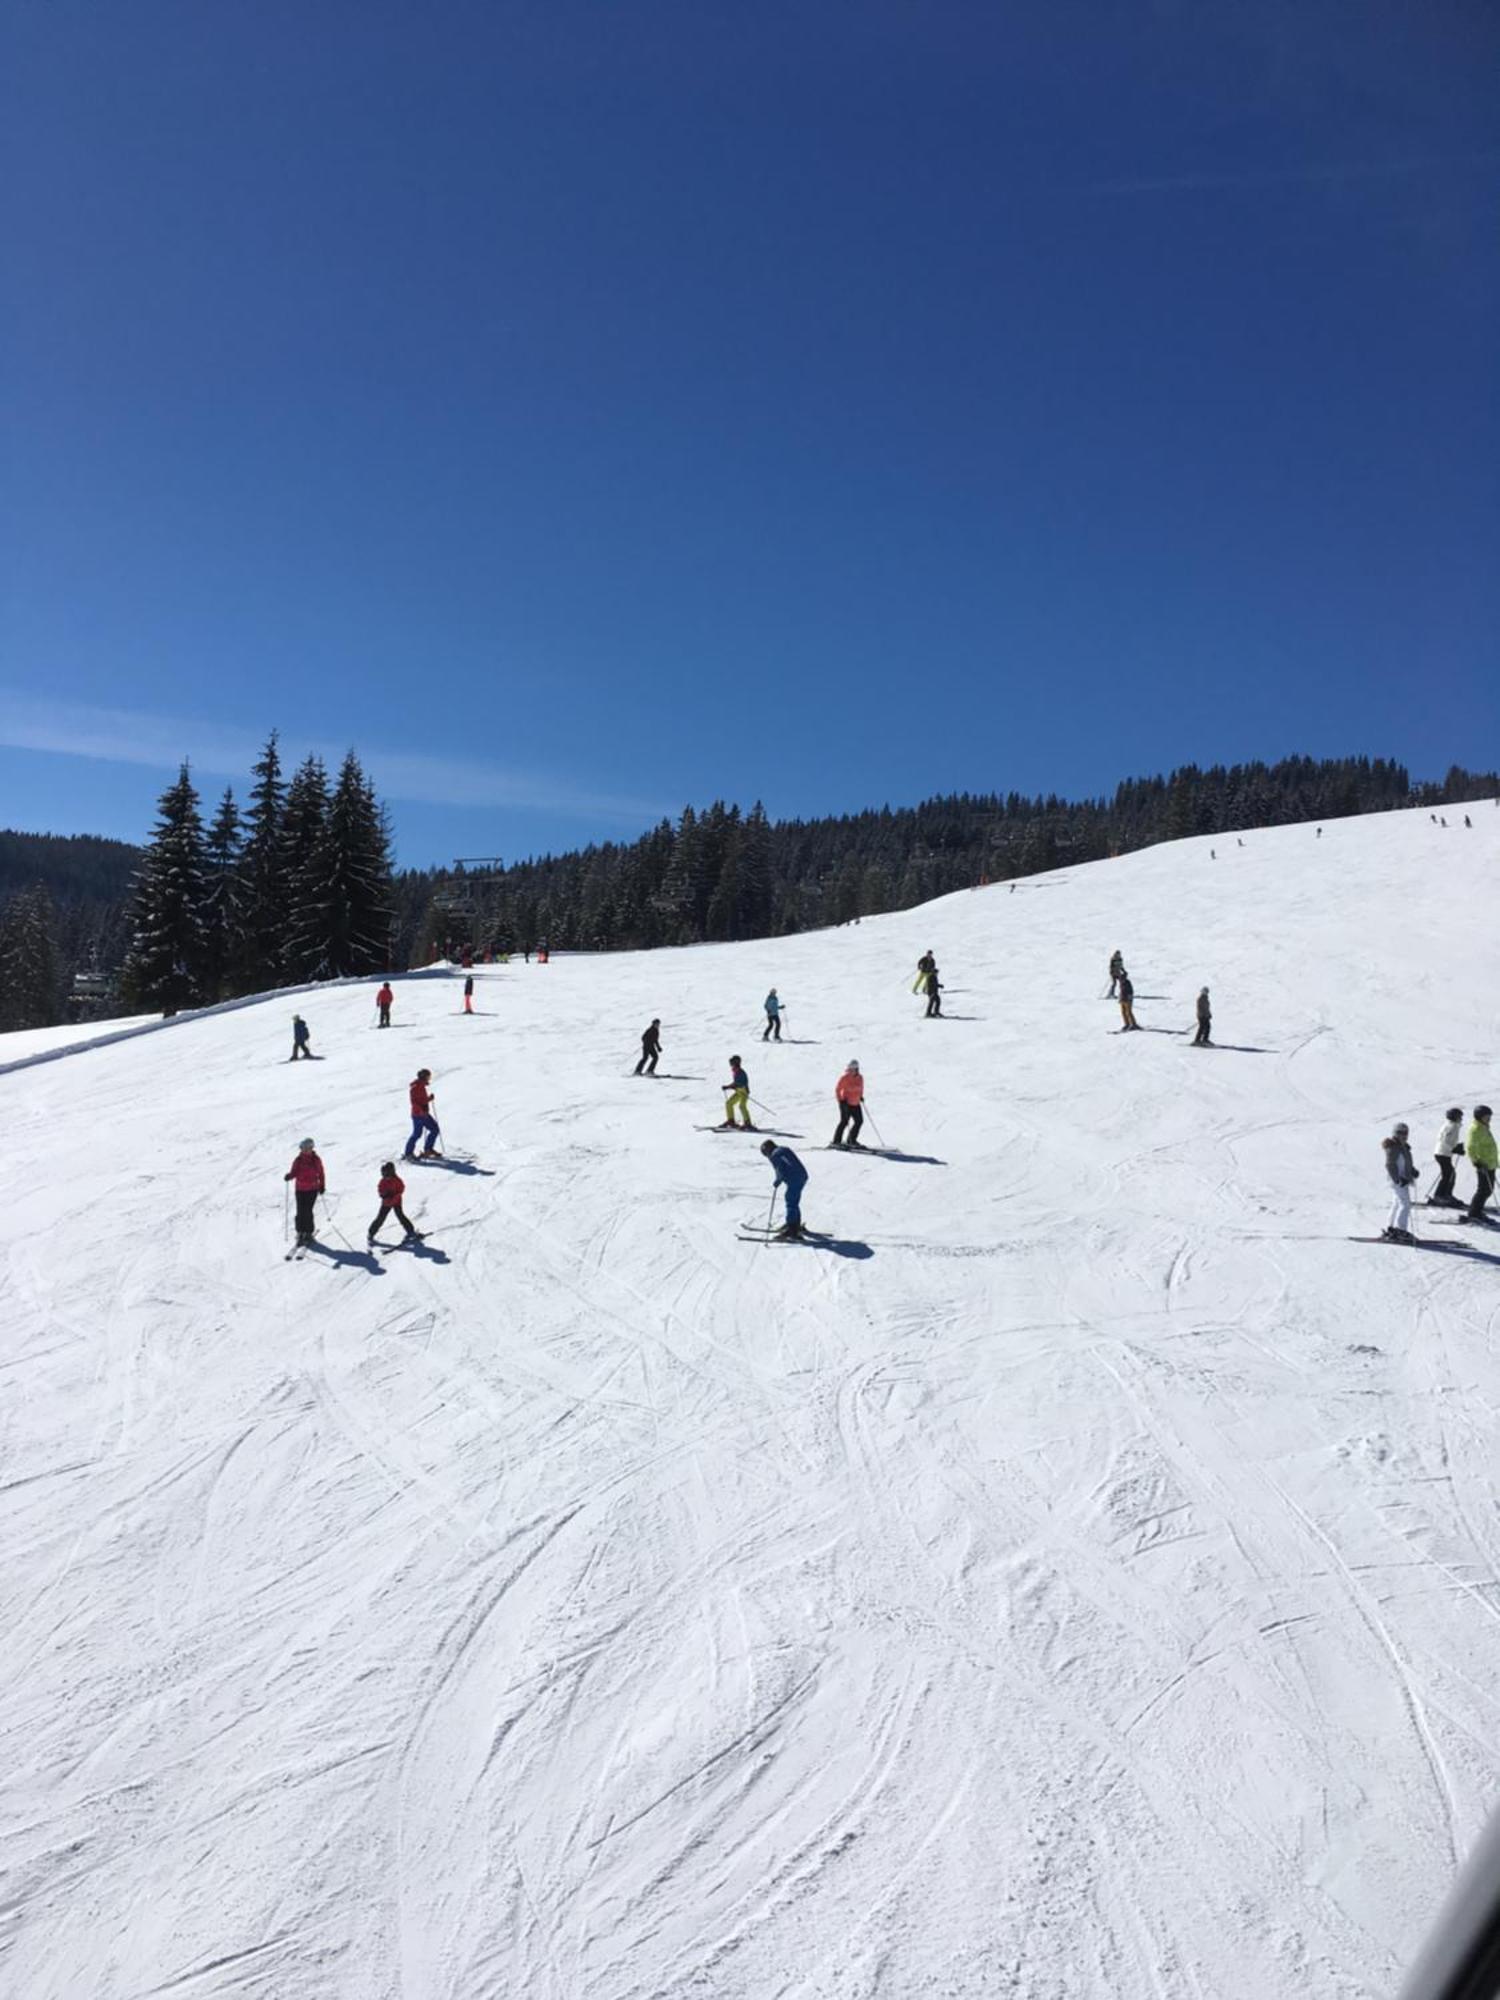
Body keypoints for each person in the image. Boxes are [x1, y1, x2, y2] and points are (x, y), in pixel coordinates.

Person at [761, 1139, 809, 1239]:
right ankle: (795, 1225)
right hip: (802, 1175)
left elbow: (780, 1170)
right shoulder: (783, 1149)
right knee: (794, 1201)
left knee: (790, 1201)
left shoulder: (774, 1155)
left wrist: (777, 1181)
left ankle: (792, 1230)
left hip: (795, 1178)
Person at [284, 1137, 325, 1246]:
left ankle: (308, 1232)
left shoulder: (316, 1160)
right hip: (300, 1189)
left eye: (307, 1148)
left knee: (307, 1211)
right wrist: (289, 1176)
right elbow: (294, 1172)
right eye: (303, 1148)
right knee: (300, 1211)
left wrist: (322, 1186)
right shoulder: (298, 1160)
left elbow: (321, 1173)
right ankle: (300, 1231)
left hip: (312, 1190)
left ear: (311, 1148)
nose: (304, 1150)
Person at [368, 1161, 421, 1245]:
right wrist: (383, 1194)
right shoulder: (383, 1181)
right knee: (380, 1218)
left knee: (401, 1216)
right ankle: (371, 1233)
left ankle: (410, 1231)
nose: (386, 1177)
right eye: (384, 1175)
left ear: (392, 1173)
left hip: (396, 1202)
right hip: (386, 1203)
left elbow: (401, 1189)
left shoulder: (397, 1180)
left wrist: (394, 1195)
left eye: (387, 1175)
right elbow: (380, 1189)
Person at [1381, 1123, 1419, 1243]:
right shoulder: (1393, 1147)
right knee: (1405, 1204)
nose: (1403, 1136)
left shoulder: (1403, 1147)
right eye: (1400, 1133)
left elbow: (1406, 1163)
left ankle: (1391, 1227)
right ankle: (1400, 1229)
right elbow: (1390, 1164)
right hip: (1398, 1180)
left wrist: (1412, 1171)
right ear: (1395, 1133)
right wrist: (1397, 1179)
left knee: (1397, 1203)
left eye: (1405, 1133)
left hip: (1402, 1179)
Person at [1461, 1105, 1497, 1224]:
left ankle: (1477, 1211)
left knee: (1488, 1189)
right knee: (1483, 1190)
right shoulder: (1476, 1129)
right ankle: (1474, 1213)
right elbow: (1470, 1148)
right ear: (1479, 1117)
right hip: (1484, 1165)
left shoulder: (1483, 1127)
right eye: (1487, 1117)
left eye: (1489, 1116)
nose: (1489, 1119)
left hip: (1490, 1164)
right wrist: (1477, 1163)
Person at [404, 1069, 441, 1159]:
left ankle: (428, 1149)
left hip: (423, 1114)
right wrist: (421, 1111)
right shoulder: (416, 1087)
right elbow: (414, 1102)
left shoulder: (421, 1086)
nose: (429, 1078)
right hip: (418, 1115)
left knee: (434, 1129)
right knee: (417, 1134)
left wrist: (429, 1099)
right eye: (428, 1076)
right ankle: (408, 1153)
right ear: (424, 1077)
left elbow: (421, 1100)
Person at [1433, 1108, 1465, 1206]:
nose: (1461, 1118)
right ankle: (1440, 1196)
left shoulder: (1451, 1125)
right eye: (1459, 1116)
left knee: (1449, 1174)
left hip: (1443, 1153)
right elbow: (1446, 1140)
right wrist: (1455, 1149)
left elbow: (1448, 1140)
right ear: (1454, 1117)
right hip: (1442, 1153)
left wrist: (1456, 1147)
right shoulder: (1452, 1126)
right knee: (1449, 1175)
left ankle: (1445, 1195)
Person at [832, 1060, 865, 1148]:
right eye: (849, 1069)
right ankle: (836, 1141)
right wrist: (841, 1100)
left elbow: (861, 1088)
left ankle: (851, 1140)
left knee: (859, 1121)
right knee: (844, 1122)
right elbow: (838, 1089)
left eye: (853, 1069)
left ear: (856, 1069)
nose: (851, 1070)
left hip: (856, 1103)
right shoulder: (845, 1077)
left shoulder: (860, 1077)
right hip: (846, 1103)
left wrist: (860, 1096)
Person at [719, 1056, 753, 1130]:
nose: (731, 1064)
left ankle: (748, 1123)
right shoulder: (735, 1071)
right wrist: (729, 1086)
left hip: (744, 1092)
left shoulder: (741, 1072)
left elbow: (743, 1083)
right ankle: (731, 1120)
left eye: (732, 1062)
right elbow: (736, 1083)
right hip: (739, 1092)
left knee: (742, 1106)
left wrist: (731, 1086)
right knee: (729, 1103)